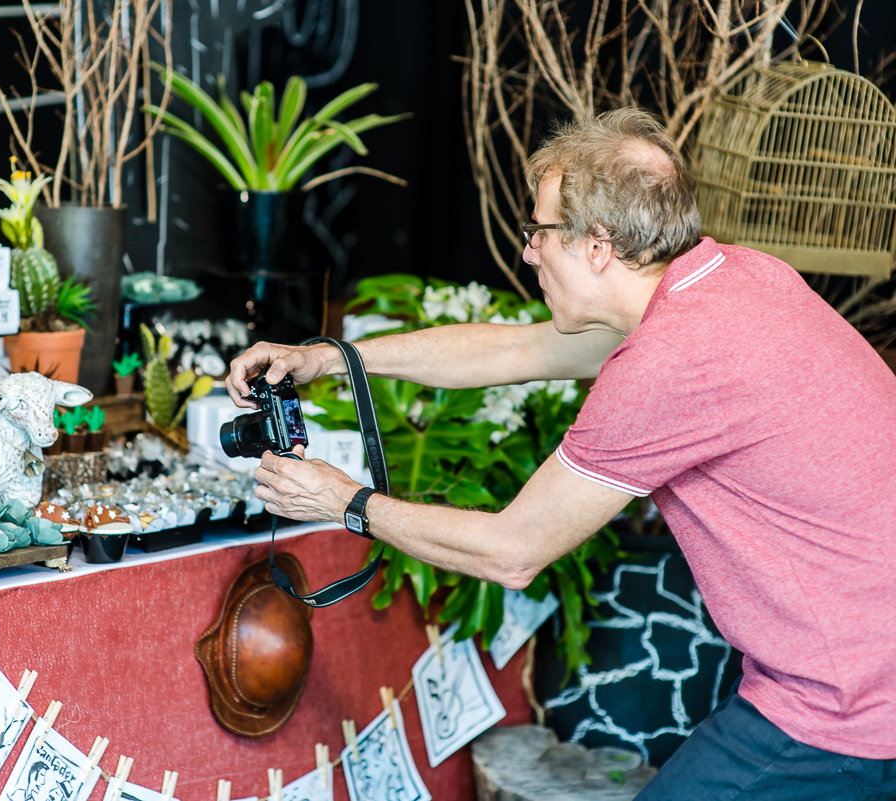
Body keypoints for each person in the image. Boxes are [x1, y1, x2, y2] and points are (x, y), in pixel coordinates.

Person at [228, 108, 896, 800]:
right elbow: (516, 349)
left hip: (847, 708)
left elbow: (511, 551)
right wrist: (326, 358)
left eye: (541, 230)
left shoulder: (672, 359)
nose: (528, 251)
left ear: (598, 244)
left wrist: (342, 500)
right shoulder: (730, 280)